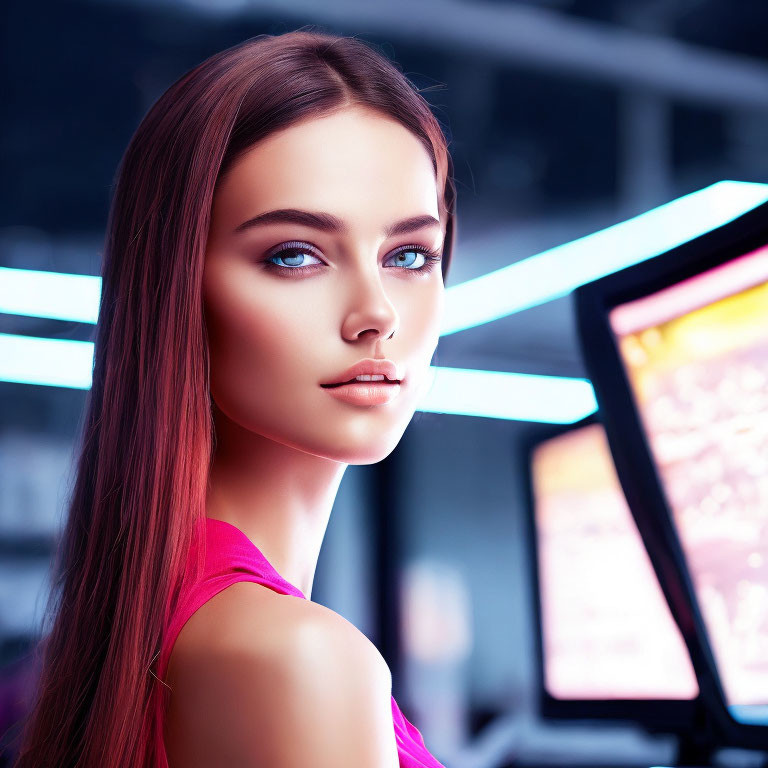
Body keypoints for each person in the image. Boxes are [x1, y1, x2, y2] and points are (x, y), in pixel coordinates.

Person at [12, 27, 457, 767]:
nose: (376, 311)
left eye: (409, 255)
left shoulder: (169, 618)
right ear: (177, 288)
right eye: (294, 255)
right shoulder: (295, 661)